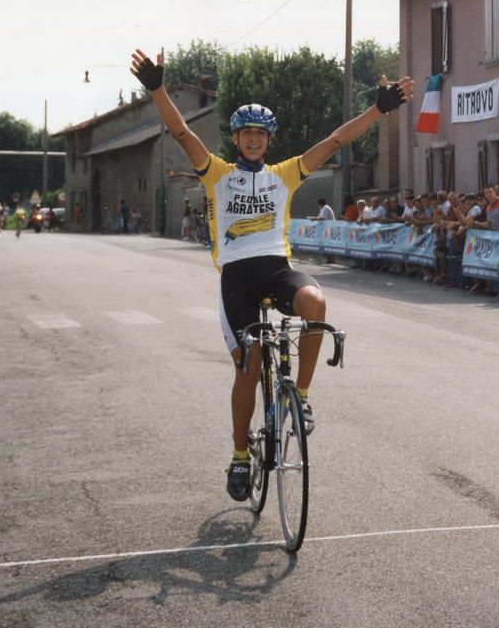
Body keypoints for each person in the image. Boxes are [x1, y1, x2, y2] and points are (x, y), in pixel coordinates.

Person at [131, 47, 411, 501]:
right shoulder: (216, 173)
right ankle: (240, 456)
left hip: (277, 269)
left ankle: (299, 394)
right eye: (247, 134)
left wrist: (377, 109)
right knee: (250, 363)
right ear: (236, 139)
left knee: (316, 304)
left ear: (269, 140)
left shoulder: (285, 174)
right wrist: (158, 88)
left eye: (261, 134)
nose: (255, 140)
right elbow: (181, 131)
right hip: (237, 279)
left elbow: (337, 140)